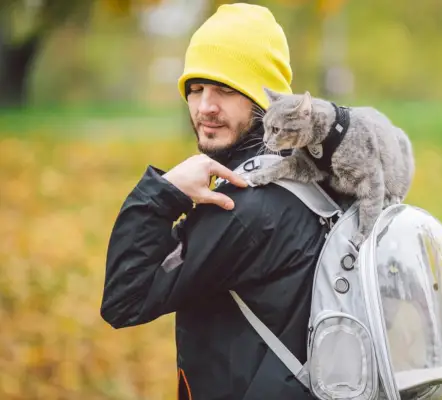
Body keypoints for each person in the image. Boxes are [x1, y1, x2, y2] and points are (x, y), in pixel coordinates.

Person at [100, 3, 327, 399]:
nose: (205, 106)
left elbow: (124, 298)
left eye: (225, 90)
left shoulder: (242, 209)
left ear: (264, 100)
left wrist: (164, 191)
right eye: (196, 89)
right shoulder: (308, 172)